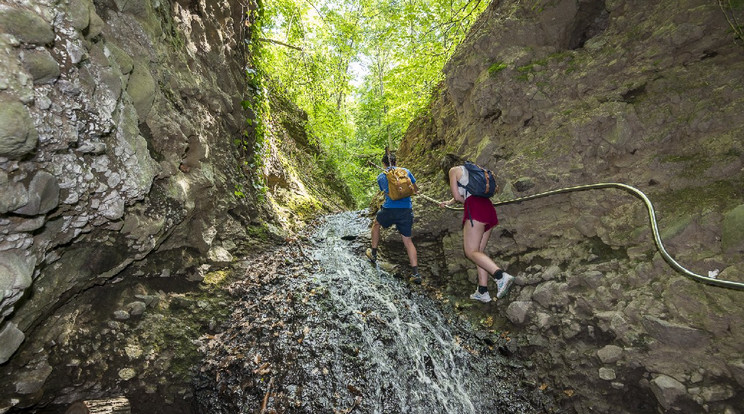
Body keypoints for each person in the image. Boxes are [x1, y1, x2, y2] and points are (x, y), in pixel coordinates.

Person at [439, 155, 513, 302]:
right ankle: (482, 291)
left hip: (475, 209)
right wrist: (449, 202)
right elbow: (463, 192)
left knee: (470, 251)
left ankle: (500, 276)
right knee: (478, 252)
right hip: (488, 208)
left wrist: (460, 200)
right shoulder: (470, 170)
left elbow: (459, 196)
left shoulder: (453, 170)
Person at [367, 152, 422, 284]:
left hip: (390, 209)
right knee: (408, 241)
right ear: (396, 162)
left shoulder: (381, 176)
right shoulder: (406, 172)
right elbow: (415, 189)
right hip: (406, 210)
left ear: (383, 164)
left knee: (376, 224)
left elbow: (387, 193)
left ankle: (373, 253)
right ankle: (416, 273)